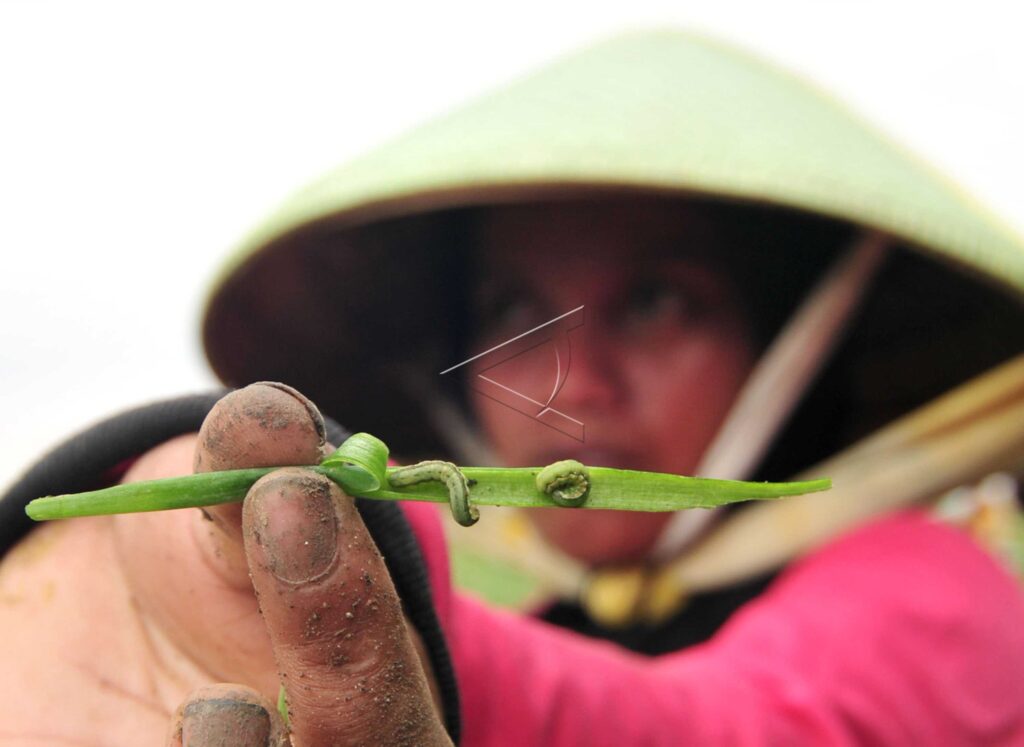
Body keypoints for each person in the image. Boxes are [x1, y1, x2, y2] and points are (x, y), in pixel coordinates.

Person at [3, 29, 1024, 746]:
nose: (567, 381)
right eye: (510, 313)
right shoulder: (550, 613)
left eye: (659, 300)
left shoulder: (939, 593)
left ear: (790, 352)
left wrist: (394, 598)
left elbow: (715, 728)